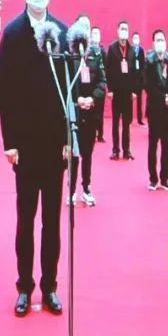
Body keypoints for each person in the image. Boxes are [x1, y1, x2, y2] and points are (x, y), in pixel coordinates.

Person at [0, 0, 69, 317]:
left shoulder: (62, 32)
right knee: (26, 221)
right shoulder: (12, 34)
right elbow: (5, 92)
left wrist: (69, 139)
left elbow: (69, 91)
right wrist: (9, 142)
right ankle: (24, 287)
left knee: (51, 223)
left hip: (55, 145)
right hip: (25, 146)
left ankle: (50, 286)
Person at [68, 13, 106, 207]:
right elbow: (65, 82)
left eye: (88, 27)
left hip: (91, 112)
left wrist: (92, 99)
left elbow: (102, 82)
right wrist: (77, 100)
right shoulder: (69, 53)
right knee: (74, 154)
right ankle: (71, 190)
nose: (85, 30)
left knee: (87, 154)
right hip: (74, 112)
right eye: (82, 26)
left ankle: (86, 188)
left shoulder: (96, 54)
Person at [144, 29, 168, 190]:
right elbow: (147, 84)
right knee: (153, 145)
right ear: (153, 43)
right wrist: (162, 97)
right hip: (154, 109)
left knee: (166, 146)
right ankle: (153, 178)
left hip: (167, 110)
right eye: (157, 40)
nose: (160, 43)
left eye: (162, 40)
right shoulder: (149, 61)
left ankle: (165, 178)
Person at [106, 20, 137, 160]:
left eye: (126, 29)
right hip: (116, 92)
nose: (124, 31)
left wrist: (134, 90)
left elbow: (135, 72)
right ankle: (115, 150)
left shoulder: (131, 50)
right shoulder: (112, 48)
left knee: (126, 123)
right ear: (118, 31)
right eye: (122, 29)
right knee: (115, 123)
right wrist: (110, 89)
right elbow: (108, 71)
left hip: (128, 92)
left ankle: (126, 150)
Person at [89, 25, 106, 142]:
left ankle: (100, 133)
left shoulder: (102, 51)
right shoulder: (88, 50)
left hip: (101, 84)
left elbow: (106, 67)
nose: (96, 36)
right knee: (92, 110)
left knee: (100, 110)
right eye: (94, 33)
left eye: (97, 33)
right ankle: (92, 131)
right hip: (91, 84)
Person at [132, 31, 146, 126]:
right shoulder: (130, 49)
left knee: (139, 100)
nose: (136, 40)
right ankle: (129, 118)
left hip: (139, 78)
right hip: (132, 78)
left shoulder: (141, 50)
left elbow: (143, 65)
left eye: (137, 38)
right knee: (130, 99)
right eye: (134, 38)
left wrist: (143, 79)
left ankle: (140, 119)